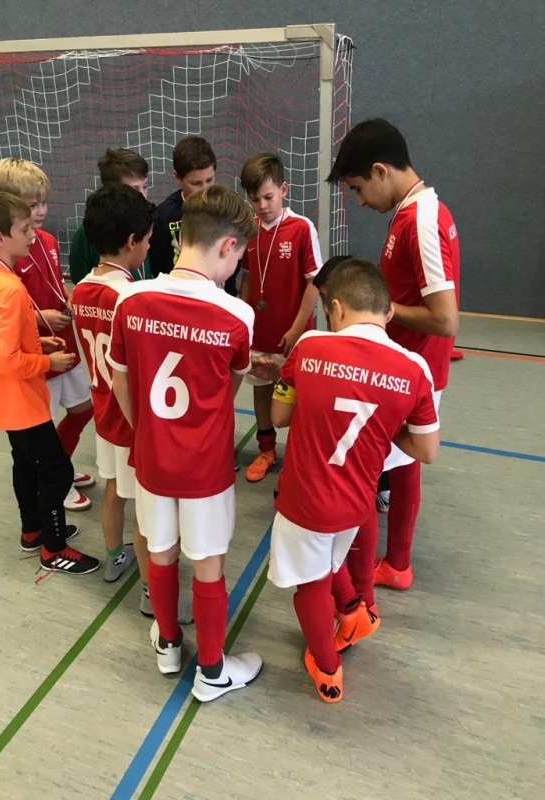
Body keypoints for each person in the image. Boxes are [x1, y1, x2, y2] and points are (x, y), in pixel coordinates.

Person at [108, 184, 262, 702]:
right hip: (205, 466)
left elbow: (120, 380)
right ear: (227, 246)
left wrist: (149, 432)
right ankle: (212, 670)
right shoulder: (237, 315)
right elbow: (229, 389)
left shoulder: (130, 298)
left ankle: (168, 644)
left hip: (152, 456)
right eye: (238, 257)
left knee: (161, 550)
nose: (235, 268)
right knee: (209, 561)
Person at [266, 260, 440, 702]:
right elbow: (427, 451)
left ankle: (328, 669)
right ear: (388, 312)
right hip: (358, 502)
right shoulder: (414, 368)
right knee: (329, 561)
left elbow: (279, 417)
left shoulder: (309, 346)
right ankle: (353, 613)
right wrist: (385, 427)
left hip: (305, 499)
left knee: (309, 586)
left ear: (336, 308)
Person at [328, 118, 460, 590]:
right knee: (401, 465)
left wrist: (377, 309)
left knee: (370, 470)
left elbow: (445, 319)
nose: (361, 201)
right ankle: (397, 562)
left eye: (359, 188)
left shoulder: (422, 219)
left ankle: (365, 581)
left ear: (381, 170)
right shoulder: (411, 213)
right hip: (407, 365)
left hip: (411, 368)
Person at [73, 185, 193, 623]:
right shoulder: (131, 298)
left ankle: (113, 558)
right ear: (131, 242)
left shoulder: (80, 290)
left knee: (112, 489)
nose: (148, 247)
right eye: (147, 240)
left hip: (104, 413)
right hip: (132, 421)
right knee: (146, 514)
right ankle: (149, 592)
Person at [0, 190, 100, 576]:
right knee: (56, 471)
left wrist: (37, 341)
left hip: (4, 396)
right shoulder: (11, 289)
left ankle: (32, 532)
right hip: (22, 397)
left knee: (26, 465)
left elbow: (0, 338)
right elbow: (7, 359)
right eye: (24, 229)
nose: (32, 235)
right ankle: (53, 549)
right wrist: (48, 361)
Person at [0, 157, 95, 512]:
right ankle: (53, 481)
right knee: (41, 430)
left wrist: (66, 296)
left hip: (65, 346)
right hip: (37, 356)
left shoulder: (47, 239)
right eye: (31, 206)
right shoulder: (4, 254)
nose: (41, 211)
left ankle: (60, 468)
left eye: (43, 203)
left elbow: (52, 281)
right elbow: (6, 309)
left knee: (83, 409)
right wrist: (40, 317)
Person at [239, 152, 322, 483]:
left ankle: (301, 454)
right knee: (261, 389)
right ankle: (266, 449)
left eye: (268, 197)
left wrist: (298, 327)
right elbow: (247, 278)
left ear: (284, 189)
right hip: (260, 331)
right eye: (254, 199)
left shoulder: (301, 228)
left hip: (293, 333)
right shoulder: (249, 230)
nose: (261, 205)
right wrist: (244, 319)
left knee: (296, 394)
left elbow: (314, 282)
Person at [69, 148, 150, 285]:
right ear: (112, 190)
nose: (142, 196)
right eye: (134, 189)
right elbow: (80, 280)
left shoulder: (147, 223)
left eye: (145, 187)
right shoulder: (87, 233)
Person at [148, 136, 216, 278]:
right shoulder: (164, 216)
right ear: (178, 177)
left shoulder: (224, 208)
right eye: (196, 183)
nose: (204, 190)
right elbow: (157, 266)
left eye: (210, 180)